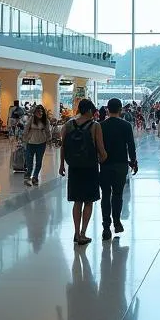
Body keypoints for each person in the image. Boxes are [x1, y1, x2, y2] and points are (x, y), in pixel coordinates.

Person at [59, 99, 107, 244]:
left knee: (77, 201)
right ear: (90, 111)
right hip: (90, 168)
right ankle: (83, 233)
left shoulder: (68, 125)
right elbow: (101, 149)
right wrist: (104, 159)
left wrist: (61, 165)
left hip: (73, 167)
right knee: (88, 201)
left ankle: (75, 232)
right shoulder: (95, 126)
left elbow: (63, 147)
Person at [99, 98, 138, 240]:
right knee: (117, 194)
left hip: (105, 165)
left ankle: (105, 227)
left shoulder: (100, 125)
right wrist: (133, 161)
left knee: (105, 195)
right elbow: (131, 146)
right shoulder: (126, 125)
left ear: (107, 109)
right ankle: (116, 221)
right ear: (120, 109)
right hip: (121, 164)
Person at [23, 104, 51, 186]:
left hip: (41, 143)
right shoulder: (31, 119)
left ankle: (35, 177)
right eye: (38, 111)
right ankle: (28, 177)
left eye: (42, 111)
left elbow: (48, 131)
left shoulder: (46, 121)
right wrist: (24, 139)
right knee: (29, 162)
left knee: (39, 161)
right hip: (30, 143)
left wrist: (49, 139)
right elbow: (26, 129)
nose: (40, 113)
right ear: (35, 112)